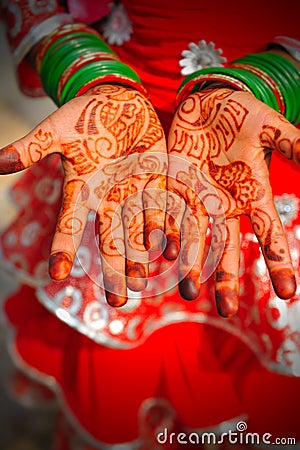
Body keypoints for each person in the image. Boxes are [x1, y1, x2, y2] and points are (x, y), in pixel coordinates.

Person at [0, 1, 299, 448]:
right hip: (106, 164)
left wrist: (277, 79)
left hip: (248, 174)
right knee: (115, 369)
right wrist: (83, 70)